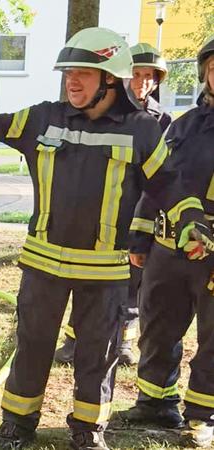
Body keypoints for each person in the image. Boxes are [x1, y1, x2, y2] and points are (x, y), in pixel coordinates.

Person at [0, 27, 212, 450]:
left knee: (97, 358)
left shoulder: (143, 130)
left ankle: (87, 431)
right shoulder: (44, 117)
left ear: (110, 80)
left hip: (104, 274)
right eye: (69, 72)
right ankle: (16, 426)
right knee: (32, 347)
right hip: (43, 266)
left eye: (84, 73)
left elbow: (170, 187)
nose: (72, 81)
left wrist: (192, 221)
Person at [117, 35, 214, 448]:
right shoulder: (184, 125)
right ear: (205, 73)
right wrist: (139, 237)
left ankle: (203, 417)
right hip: (165, 249)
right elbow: (155, 184)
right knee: (157, 326)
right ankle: (155, 402)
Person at [54, 42, 174, 366]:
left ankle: (123, 342)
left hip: (139, 214)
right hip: (101, 209)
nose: (143, 82)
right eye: (137, 74)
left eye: (150, 77)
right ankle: (72, 341)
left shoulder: (163, 121)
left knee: (132, 280)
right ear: (122, 77)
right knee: (87, 278)